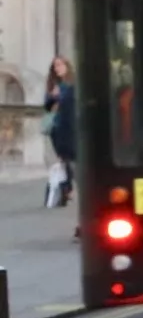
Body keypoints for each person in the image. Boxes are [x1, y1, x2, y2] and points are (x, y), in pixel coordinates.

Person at [43, 57, 77, 209]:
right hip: (57, 127)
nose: (57, 68)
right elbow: (47, 107)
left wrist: (60, 97)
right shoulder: (54, 85)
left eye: (60, 65)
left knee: (72, 158)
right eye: (55, 66)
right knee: (63, 159)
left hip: (72, 126)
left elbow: (73, 103)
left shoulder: (73, 84)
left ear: (66, 66)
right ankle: (65, 190)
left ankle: (67, 189)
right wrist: (53, 97)